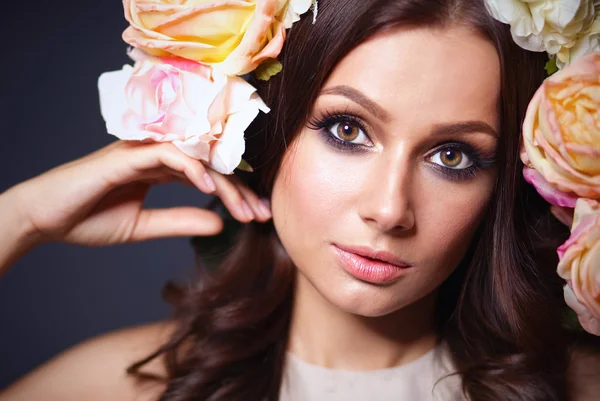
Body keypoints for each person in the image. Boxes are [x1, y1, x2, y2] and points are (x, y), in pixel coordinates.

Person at [1, 0, 599, 400]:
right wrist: (19, 217)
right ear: (270, 131)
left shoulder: (580, 385)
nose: (390, 210)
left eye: (452, 156)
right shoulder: (127, 386)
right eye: (347, 130)